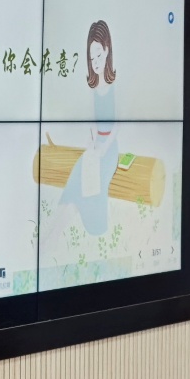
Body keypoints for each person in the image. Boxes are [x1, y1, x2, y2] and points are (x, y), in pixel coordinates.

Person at [42, 19, 120, 249]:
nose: (95, 62)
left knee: (92, 181)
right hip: (96, 147)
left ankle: (53, 238)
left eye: (98, 55)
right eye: (91, 58)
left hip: (110, 150)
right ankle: (50, 235)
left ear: (107, 50)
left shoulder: (115, 85)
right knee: (77, 174)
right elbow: (93, 124)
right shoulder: (93, 88)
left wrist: (103, 148)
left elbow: (117, 126)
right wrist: (92, 142)